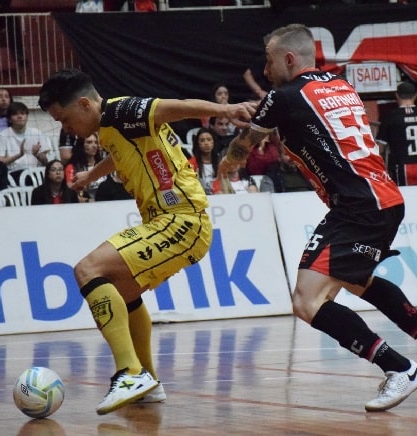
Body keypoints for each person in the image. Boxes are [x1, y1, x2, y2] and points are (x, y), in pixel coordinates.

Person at [217, 23, 417, 412]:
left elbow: (245, 144)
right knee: (356, 279)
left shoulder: (284, 95)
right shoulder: (341, 86)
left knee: (306, 300)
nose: (265, 72)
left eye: (268, 62)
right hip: (385, 199)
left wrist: (226, 164)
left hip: (357, 206)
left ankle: (399, 369)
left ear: (289, 59)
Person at [37, 68, 255, 415]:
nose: (66, 129)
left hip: (181, 220)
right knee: (124, 292)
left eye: (64, 119)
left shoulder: (123, 112)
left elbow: (176, 107)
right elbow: (119, 153)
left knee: (87, 269)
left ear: (83, 104)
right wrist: (91, 174)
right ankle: (148, 381)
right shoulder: (109, 128)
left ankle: (129, 373)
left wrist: (226, 111)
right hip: (166, 221)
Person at [376, 81, 417, 186]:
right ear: (415, 95)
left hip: (401, 169)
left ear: (396, 95)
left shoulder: (389, 117)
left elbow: (380, 150)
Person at [0, 101, 54, 183]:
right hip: (13, 175)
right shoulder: (3, 135)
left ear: (27, 116)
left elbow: (46, 162)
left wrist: (37, 155)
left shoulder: (36, 132)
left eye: (22, 113)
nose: (20, 116)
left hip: (35, 173)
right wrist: (19, 155)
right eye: (15, 114)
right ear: (9, 119)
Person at [65, 133, 104, 201]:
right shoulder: (71, 167)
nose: (94, 145)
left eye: (96, 142)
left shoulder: (104, 164)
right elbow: (70, 190)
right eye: (89, 142)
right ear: (81, 145)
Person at [188, 128, 221, 194]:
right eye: (202, 141)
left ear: (213, 142)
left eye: (209, 140)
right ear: (198, 144)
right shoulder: (191, 163)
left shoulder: (220, 162)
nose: (206, 143)